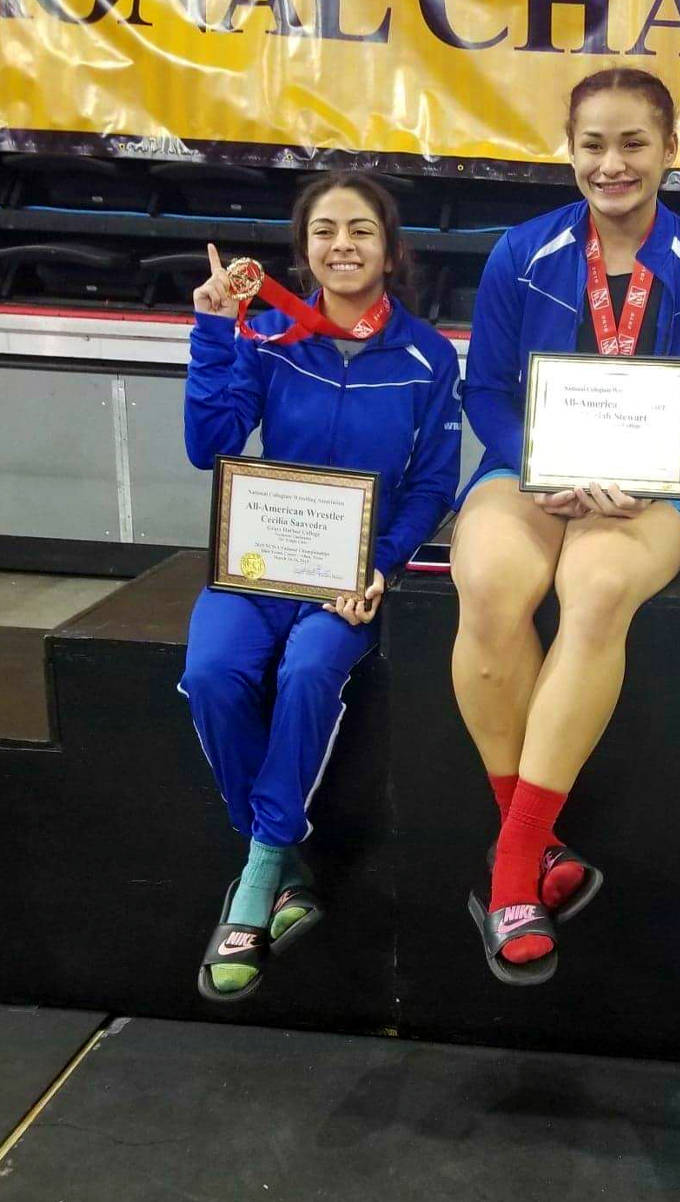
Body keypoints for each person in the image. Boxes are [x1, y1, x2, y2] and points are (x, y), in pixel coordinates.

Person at [454, 67, 680, 985]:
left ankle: (509, 870)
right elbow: (487, 390)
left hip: (651, 489)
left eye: (632, 143)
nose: (611, 162)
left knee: (596, 587)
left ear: (671, 150)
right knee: (493, 583)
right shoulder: (521, 253)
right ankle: (538, 848)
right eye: (592, 144)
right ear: (569, 149)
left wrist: (654, 475)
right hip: (530, 470)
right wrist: (539, 468)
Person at [181, 171, 461, 1001]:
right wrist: (213, 331)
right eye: (325, 230)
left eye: (361, 230)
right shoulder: (266, 335)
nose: (343, 245)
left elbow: (432, 485)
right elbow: (212, 444)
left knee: (310, 671)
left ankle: (260, 875)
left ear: (390, 247)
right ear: (303, 250)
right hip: (261, 561)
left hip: (351, 575)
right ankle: (281, 853)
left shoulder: (425, 355)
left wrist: (384, 564)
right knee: (212, 676)